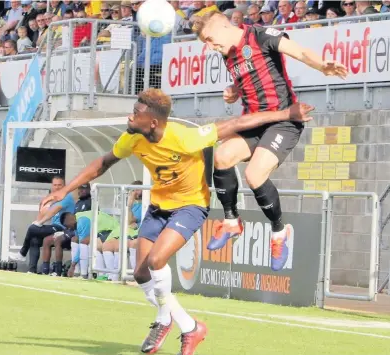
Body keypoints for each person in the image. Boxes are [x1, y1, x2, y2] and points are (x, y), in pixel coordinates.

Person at [41, 88, 314, 355]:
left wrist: (286, 113)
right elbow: (103, 163)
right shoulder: (133, 138)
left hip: (190, 207)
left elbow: (237, 122)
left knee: (156, 260)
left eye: (136, 112)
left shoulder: (185, 138)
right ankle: (188, 325)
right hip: (158, 208)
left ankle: (168, 321)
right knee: (140, 274)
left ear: (154, 122)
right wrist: (64, 190)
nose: (130, 116)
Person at [192, 11, 348, 271]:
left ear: (222, 26)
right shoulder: (226, 53)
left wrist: (321, 65)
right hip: (254, 121)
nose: (209, 47)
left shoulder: (261, 36)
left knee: (254, 175)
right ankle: (231, 221)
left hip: (283, 121)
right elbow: (247, 79)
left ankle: (279, 232)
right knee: (221, 156)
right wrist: (234, 91)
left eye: (209, 39)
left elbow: (299, 51)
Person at [8, 176, 75, 273]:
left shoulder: (66, 196)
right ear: (52, 186)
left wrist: (39, 223)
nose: (57, 187)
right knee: (34, 239)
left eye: (59, 185)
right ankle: (32, 270)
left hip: (63, 228)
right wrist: (38, 219)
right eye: (55, 185)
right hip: (54, 227)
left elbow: (54, 210)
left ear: (64, 186)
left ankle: (22, 253)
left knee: (32, 228)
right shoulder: (53, 198)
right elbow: (43, 213)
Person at [60, 211, 122, 280]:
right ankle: (78, 272)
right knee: (75, 239)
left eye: (67, 226)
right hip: (103, 231)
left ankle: (85, 275)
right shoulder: (76, 219)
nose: (68, 228)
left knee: (90, 244)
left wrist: (73, 265)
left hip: (113, 230)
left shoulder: (82, 221)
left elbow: (83, 243)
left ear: (70, 219)